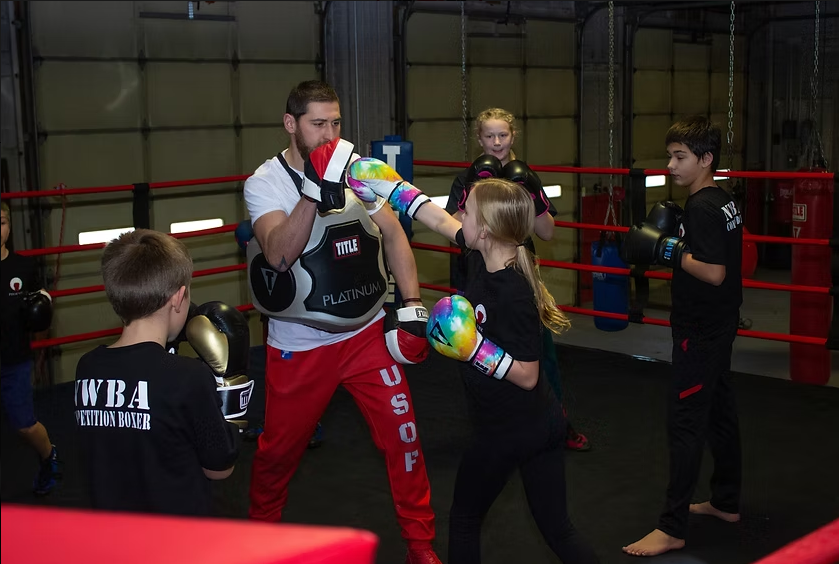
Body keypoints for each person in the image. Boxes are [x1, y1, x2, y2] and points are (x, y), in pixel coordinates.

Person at [347, 161, 601, 564]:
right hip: (539, 421)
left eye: (466, 210)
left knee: (465, 520)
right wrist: (389, 190)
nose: (459, 212)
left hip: (507, 428)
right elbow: (437, 219)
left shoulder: (513, 291)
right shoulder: (485, 254)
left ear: (484, 230)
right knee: (558, 529)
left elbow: (528, 374)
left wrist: (473, 349)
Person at [243, 80, 440, 564]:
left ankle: (420, 544)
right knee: (277, 454)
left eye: (335, 122)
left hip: (366, 336)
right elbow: (278, 255)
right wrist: (314, 189)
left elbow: (394, 234)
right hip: (300, 344)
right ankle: (258, 538)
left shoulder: (358, 170)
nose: (329, 134)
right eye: (317, 124)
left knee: (404, 437)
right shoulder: (265, 182)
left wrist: (412, 304)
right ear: (290, 124)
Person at [621, 115, 743, 557]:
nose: (670, 165)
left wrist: (667, 249)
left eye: (680, 157)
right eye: (670, 156)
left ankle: (671, 527)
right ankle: (726, 501)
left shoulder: (703, 208)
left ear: (705, 159)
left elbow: (714, 271)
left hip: (700, 329)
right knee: (720, 411)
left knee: (686, 421)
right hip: (720, 322)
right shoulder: (722, 200)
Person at [446, 107, 590, 451]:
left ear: (513, 136)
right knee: (476, 350)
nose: (497, 142)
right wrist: (469, 194)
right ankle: (489, 424)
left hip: (518, 274)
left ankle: (558, 422)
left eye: (503, 135)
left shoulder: (524, 176)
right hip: (477, 275)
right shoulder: (467, 178)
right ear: (479, 139)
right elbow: (453, 229)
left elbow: (548, 232)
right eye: (489, 136)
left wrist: (533, 192)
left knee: (540, 353)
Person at [74, 229, 240, 516]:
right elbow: (219, 469)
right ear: (178, 297)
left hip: (110, 532)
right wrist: (233, 395)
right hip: (176, 535)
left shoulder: (87, 368)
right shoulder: (188, 377)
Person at [0, 201, 60, 495]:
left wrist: (43, 303)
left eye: (1, 222)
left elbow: (41, 297)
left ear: (9, 227)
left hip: (14, 360)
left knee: (24, 425)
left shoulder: (22, 267)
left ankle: (49, 457)